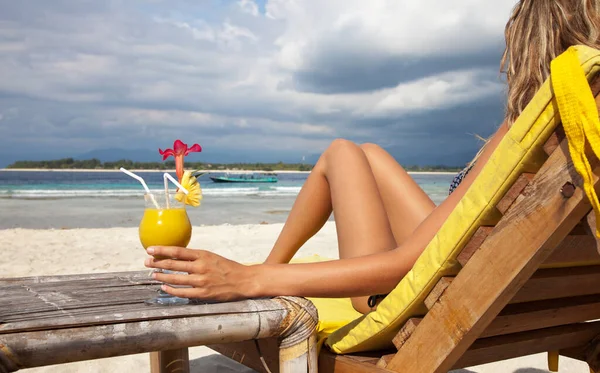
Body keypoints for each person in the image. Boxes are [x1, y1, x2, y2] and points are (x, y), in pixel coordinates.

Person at [144, 0, 600, 314]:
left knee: (341, 152)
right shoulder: (585, 122)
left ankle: (269, 267)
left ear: (531, 42)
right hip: (518, 291)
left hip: (422, 292)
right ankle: (270, 265)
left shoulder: (541, 118)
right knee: (369, 153)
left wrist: (247, 280)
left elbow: (407, 264)